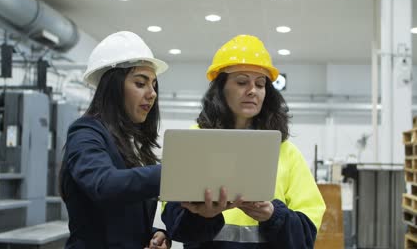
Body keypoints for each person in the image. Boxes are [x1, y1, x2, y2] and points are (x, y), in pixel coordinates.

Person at [162, 34, 326, 248]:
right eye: (241, 82)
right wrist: (204, 214)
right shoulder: (193, 142)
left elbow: (305, 236)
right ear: (220, 88)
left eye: (260, 84)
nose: (252, 91)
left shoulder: (285, 151)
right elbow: (176, 226)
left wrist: (272, 215)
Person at [59, 31, 171, 249]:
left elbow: (126, 218)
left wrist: (156, 235)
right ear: (113, 89)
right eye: (140, 83)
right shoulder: (85, 132)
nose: (152, 93)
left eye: (153, 84)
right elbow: (104, 185)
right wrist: (171, 172)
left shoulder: (134, 143)